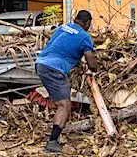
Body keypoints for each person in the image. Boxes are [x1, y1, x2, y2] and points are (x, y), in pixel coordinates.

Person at [35, 10, 98, 154]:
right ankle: (52, 143)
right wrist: (94, 69)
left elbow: (59, 47)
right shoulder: (84, 37)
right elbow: (92, 64)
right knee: (64, 105)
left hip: (41, 64)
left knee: (60, 103)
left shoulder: (63, 27)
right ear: (87, 23)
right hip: (54, 69)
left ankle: (57, 133)